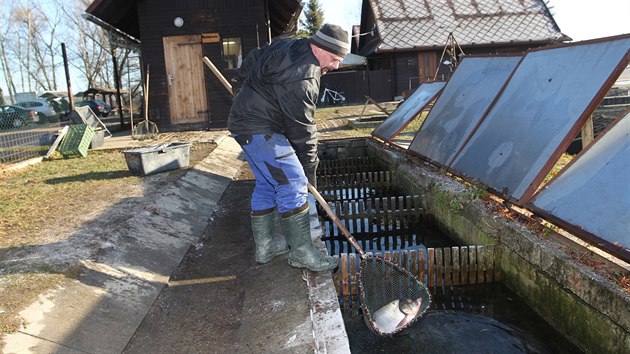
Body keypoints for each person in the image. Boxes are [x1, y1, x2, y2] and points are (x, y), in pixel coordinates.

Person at [227, 24, 349, 272]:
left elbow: (256, 55)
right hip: (261, 129)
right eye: (334, 59)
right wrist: (308, 172)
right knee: (293, 183)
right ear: (319, 47)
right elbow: (302, 131)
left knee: (267, 183)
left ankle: (265, 247)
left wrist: (240, 79)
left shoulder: (289, 44)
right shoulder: (305, 76)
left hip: (245, 123)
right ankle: (302, 254)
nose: (336, 66)